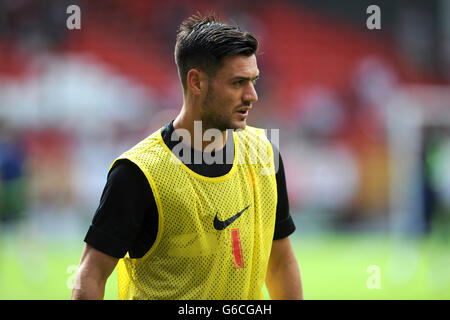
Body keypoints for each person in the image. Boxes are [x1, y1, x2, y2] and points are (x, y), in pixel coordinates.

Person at [72, 13, 303, 300]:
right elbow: (90, 274)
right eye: (237, 83)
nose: (252, 95)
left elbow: (279, 263)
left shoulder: (265, 155)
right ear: (196, 82)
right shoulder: (138, 173)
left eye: (253, 81)